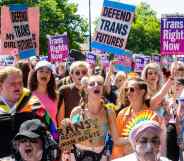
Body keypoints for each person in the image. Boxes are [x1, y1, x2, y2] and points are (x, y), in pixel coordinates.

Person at [61, 75, 127, 161]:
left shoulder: (109, 112)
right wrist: (65, 130)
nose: (96, 85)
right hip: (76, 156)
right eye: (92, 84)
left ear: (103, 89)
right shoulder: (77, 111)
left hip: (100, 156)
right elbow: (68, 142)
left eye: (100, 83)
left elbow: (117, 140)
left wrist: (135, 138)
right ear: (86, 89)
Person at [0, 66, 56, 158]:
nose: (17, 86)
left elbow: (50, 125)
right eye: (12, 83)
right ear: (1, 85)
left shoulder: (31, 102)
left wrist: (58, 140)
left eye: (20, 83)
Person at [57, 61, 90, 126]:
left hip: (89, 131)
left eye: (84, 72)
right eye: (77, 73)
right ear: (71, 74)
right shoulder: (64, 90)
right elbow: (59, 116)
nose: (81, 75)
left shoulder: (92, 90)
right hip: (68, 130)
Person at [28, 60, 57, 126]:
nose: (44, 74)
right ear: (35, 74)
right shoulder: (27, 96)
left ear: (51, 76)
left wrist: (55, 136)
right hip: (33, 135)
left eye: (47, 72)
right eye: (41, 71)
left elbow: (60, 122)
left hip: (53, 134)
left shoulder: (57, 96)